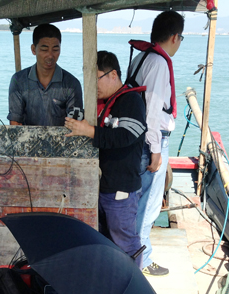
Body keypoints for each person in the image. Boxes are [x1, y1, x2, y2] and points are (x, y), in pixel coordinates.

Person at [65, 51, 147, 267]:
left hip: (121, 189)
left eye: (97, 79)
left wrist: (89, 131)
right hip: (101, 187)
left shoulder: (131, 101)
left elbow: (126, 135)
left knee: (125, 243)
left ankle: (133, 282)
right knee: (104, 242)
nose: (93, 86)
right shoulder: (101, 103)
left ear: (113, 75)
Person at [128, 11, 185, 277]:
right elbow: (152, 111)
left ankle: (135, 253)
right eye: (181, 38)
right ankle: (142, 258)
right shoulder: (160, 63)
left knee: (137, 201)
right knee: (148, 204)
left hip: (136, 137)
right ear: (175, 37)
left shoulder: (141, 58)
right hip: (152, 139)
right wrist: (155, 150)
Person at [8, 23, 83, 126]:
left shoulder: (72, 84)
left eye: (55, 50)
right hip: (26, 137)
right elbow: (15, 122)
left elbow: (75, 125)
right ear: (33, 49)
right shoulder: (18, 80)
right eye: (44, 49)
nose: (50, 55)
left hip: (63, 137)